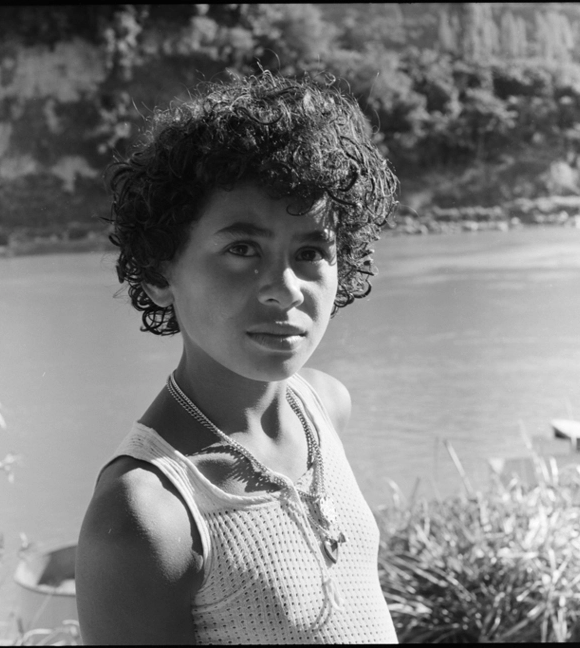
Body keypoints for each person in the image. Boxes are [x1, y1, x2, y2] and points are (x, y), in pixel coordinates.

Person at [76, 70, 399, 645]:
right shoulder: (146, 515)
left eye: (309, 251)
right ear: (159, 273)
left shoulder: (325, 407)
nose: (286, 288)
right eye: (241, 249)